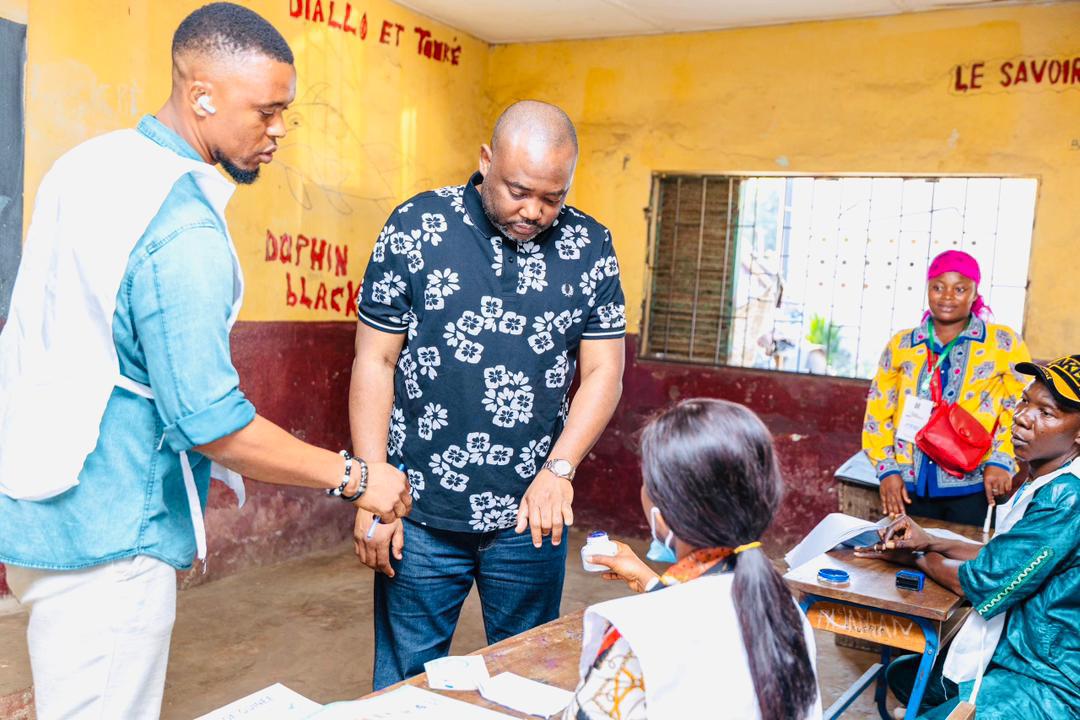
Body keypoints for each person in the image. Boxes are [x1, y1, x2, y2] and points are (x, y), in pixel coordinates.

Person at [0, 5, 410, 718]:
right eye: (267, 110)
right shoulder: (181, 227)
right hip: (114, 535)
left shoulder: (89, 166)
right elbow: (211, 423)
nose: (279, 130)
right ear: (201, 96)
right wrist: (357, 477)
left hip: (41, 512)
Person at [351, 100, 626, 688]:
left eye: (552, 198)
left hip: (533, 510)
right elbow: (375, 358)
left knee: (529, 678)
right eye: (519, 191)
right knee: (403, 683)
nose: (534, 212)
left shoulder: (590, 246)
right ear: (485, 161)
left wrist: (561, 468)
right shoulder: (416, 226)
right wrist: (372, 482)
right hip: (416, 507)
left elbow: (605, 371)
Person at [565, 398, 823, 720]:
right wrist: (650, 582)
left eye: (648, 481)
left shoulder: (636, 636)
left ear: (663, 515)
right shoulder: (784, 611)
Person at [856, 355, 1080, 719]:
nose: (1022, 416)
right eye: (1025, 401)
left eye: (1047, 413)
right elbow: (1004, 554)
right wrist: (930, 540)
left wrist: (915, 558)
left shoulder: (1067, 497)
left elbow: (986, 581)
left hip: (1047, 676)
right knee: (905, 677)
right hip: (1019, 648)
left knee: (924, 694)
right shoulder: (1047, 477)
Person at [863, 250, 1031, 526]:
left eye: (960, 289)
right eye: (938, 287)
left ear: (975, 293)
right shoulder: (903, 345)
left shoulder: (1002, 343)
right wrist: (887, 470)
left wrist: (1003, 460)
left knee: (960, 563)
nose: (947, 296)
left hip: (975, 482)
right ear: (928, 289)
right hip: (908, 484)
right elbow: (878, 412)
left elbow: (1020, 407)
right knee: (905, 562)